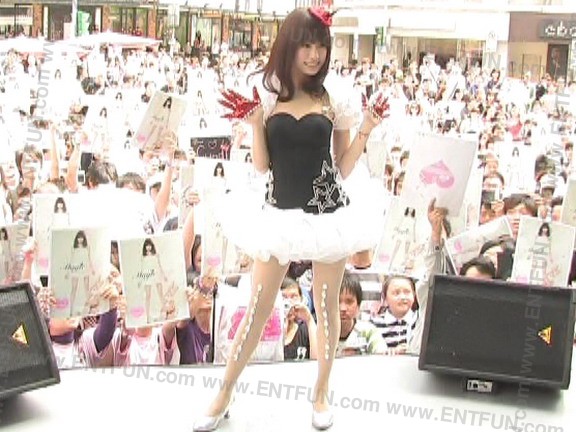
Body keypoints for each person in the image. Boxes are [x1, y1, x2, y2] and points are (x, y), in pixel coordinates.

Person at [192, 6, 388, 431]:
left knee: (327, 308)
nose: (314, 55)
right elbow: (263, 166)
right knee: (257, 308)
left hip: (329, 214)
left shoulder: (335, 96)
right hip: (278, 215)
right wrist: (254, 124)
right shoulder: (268, 93)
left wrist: (367, 129)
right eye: (306, 46)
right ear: (289, 46)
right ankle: (224, 391)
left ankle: (321, 393)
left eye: (321, 46)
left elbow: (342, 167)